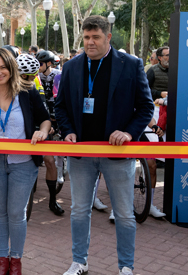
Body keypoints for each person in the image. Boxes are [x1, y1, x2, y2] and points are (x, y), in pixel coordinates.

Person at [55, 15, 153, 275]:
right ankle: (79, 262)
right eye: (86, 37)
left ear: (108, 37)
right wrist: (68, 131)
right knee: (78, 212)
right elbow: (61, 106)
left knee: (123, 214)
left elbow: (145, 107)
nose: (90, 42)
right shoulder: (72, 67)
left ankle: (126, 267)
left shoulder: (131, 65)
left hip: (117, 154)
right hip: (81, 154)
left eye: (96, 37)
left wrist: (130, 133)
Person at [0, 48, 51, 275]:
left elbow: (45, 120)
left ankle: (15, 260)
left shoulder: (28, 92)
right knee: (0, 213)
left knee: (16, 213)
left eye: (3, 68)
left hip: (24, 163)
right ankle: (1, 260)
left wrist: (42, 132)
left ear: (11, 68)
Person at [36, 50, 65, 216]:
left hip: (55, 116)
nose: (38, 67)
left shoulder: (58, 76)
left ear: (48, 64)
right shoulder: (33, 76)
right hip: (40, 118)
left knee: (50, 159)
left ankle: (53, 199)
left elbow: (60, 99)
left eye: (40, 64)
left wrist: (54, 121)